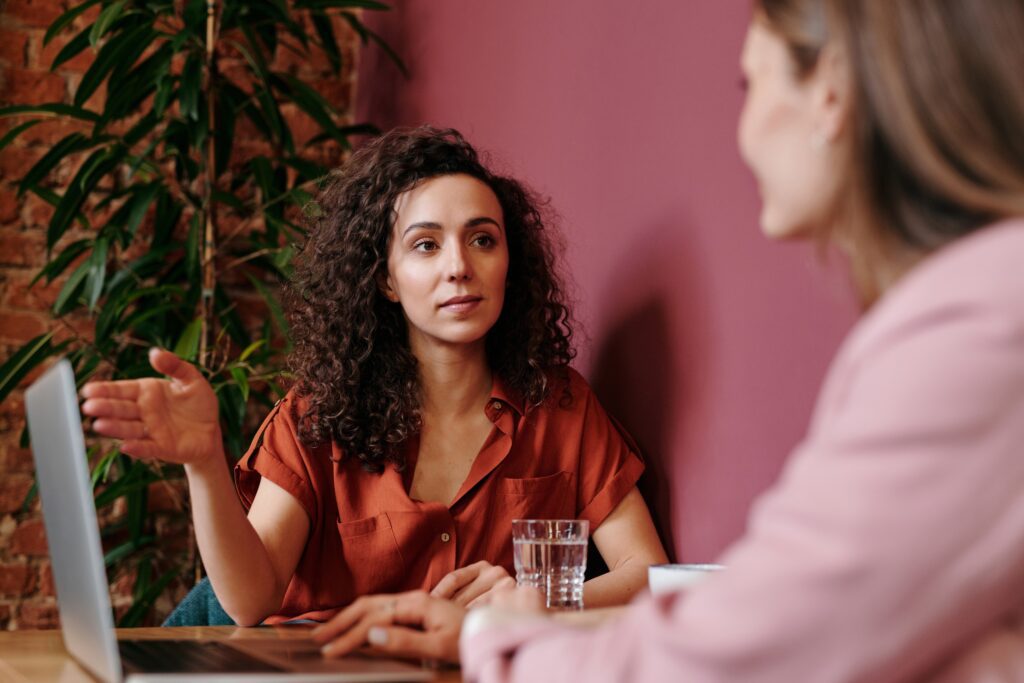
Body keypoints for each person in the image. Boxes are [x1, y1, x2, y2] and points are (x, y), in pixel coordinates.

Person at [309, 1, 1024, 680]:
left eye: (751, 82)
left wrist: (500, 639)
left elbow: (752, 649)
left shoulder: (975, 330)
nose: (742, 127)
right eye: (425, 245)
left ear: (830, 92)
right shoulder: (979, 309)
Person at [81, 127, 668, 626]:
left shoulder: (559, 405)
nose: (459, 267)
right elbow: (250, 601)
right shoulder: (318, 414)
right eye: (426, 246)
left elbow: (650, 574)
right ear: (386, 280)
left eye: (482, 240)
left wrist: (530, 603)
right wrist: (204, 459)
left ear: (509, 265)